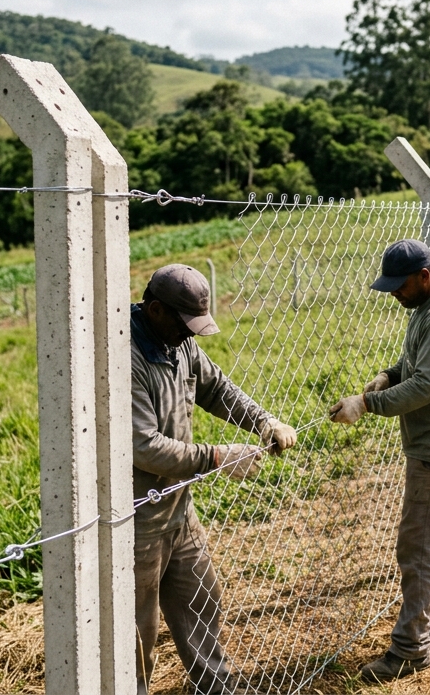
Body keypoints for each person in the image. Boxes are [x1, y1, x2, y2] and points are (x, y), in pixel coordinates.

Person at [131, 263, 298, 695]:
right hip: (136, 521)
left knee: (201, 599)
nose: (191, 335)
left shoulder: (178, 344)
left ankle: (217, 689)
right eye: (185, 324)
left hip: (177, 507)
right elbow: (144, 446)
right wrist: (219, 456)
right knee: (135, 636)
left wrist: (263, 421)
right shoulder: (124, 358)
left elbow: (216, 389)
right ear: (155, 310)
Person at [329, 239, 430, 682]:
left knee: (419, 548)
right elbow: (412, 368)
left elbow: (426, 387)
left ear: (425, 275)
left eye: (400, 285)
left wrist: (366, 404)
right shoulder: (426, 311)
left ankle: (411, 647)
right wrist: (388, 376)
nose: (395, 293)